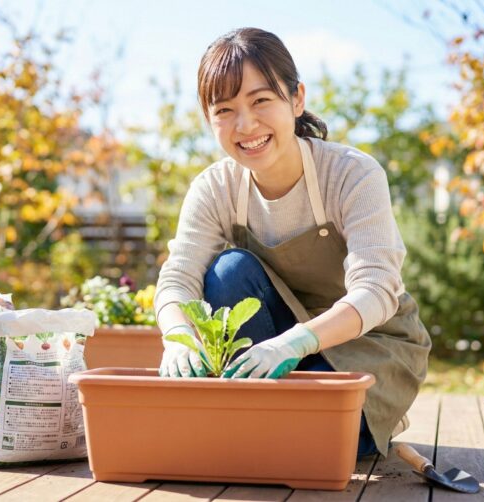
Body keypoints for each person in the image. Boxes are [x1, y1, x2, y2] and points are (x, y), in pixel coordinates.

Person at [152, 27, 431, 459]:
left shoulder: (352, 174)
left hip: (371, 346)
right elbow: (178, 277)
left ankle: (275, 424)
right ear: (209, 119)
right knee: (229, 271)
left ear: (296, 99)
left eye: (261, 100)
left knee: (321, 441)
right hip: (269, 348)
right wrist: (176, 337)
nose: (246, 125)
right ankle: (255, 422)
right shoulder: (215, 188)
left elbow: (376, 290)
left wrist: (293, 343)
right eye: (225, 109)